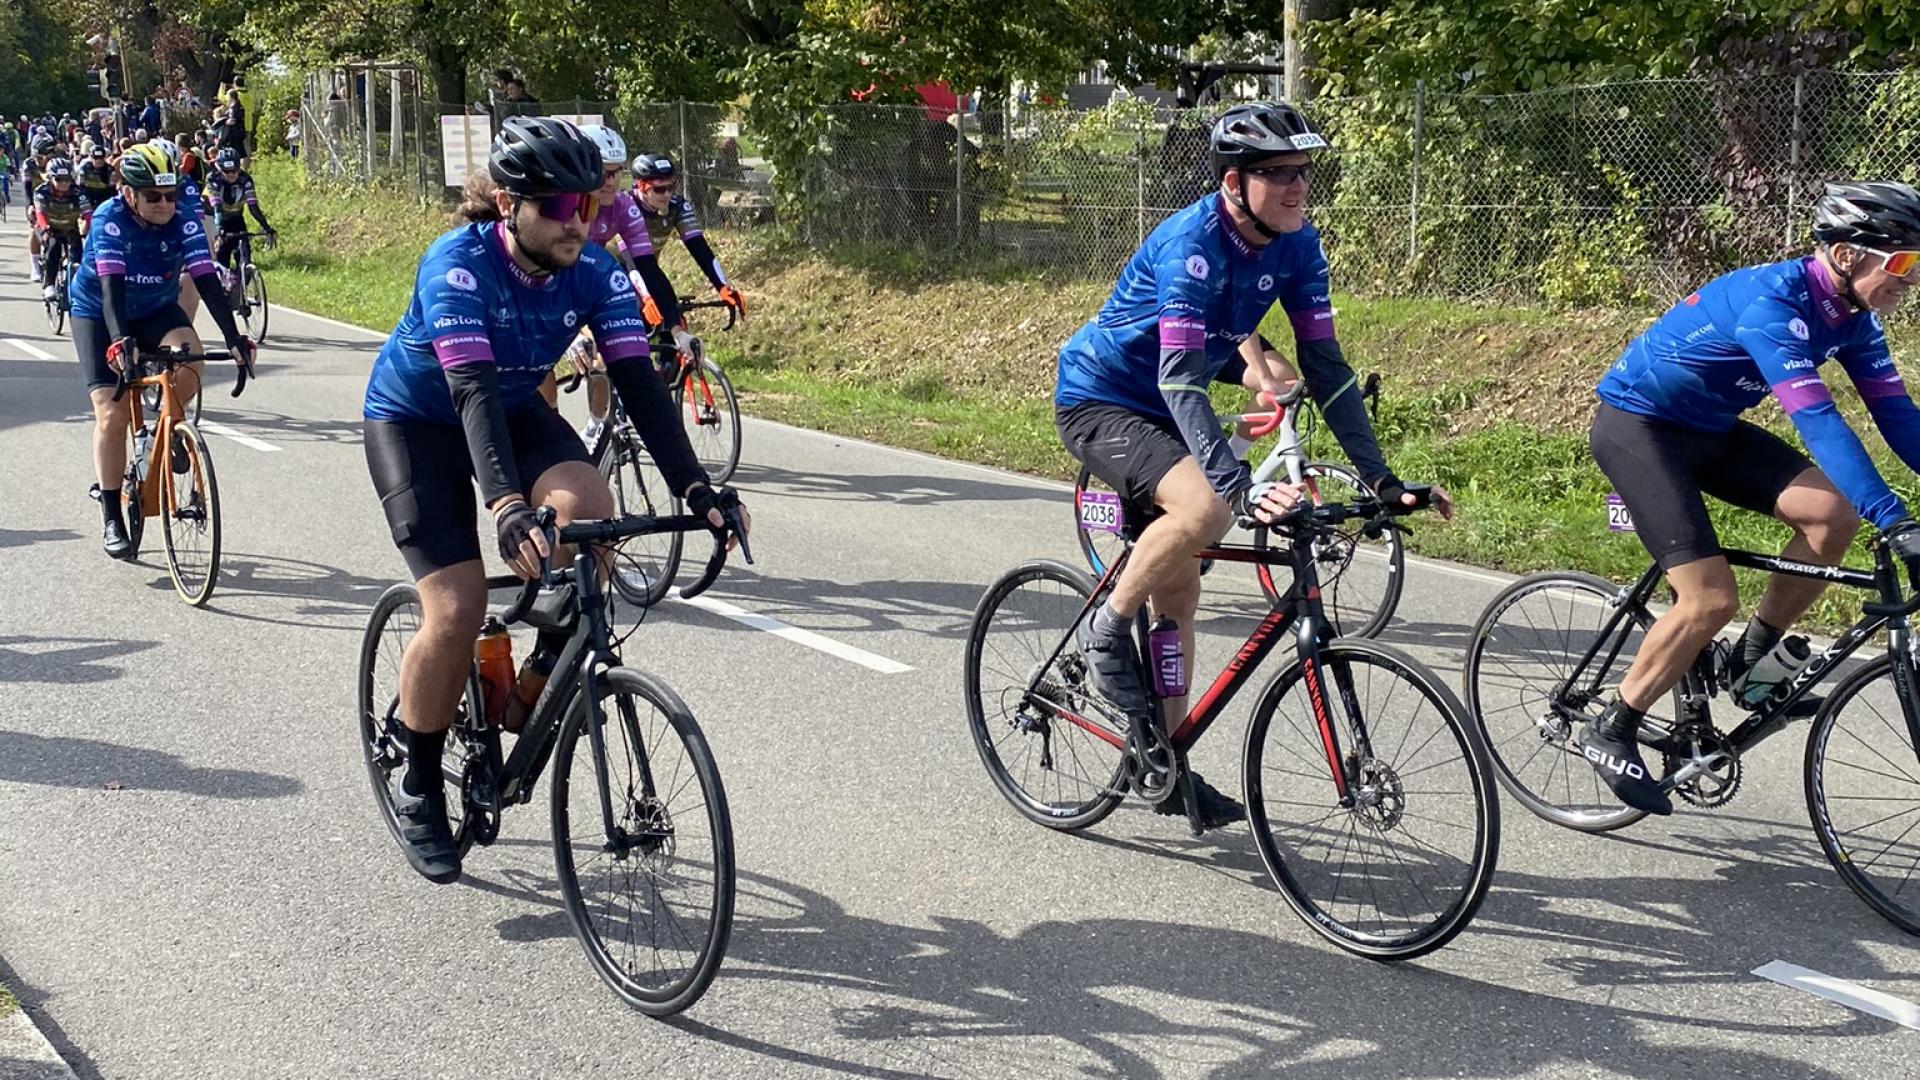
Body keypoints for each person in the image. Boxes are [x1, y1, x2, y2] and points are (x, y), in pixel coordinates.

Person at [360, 116, 747, 884]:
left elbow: (638, 384)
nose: (581, 220)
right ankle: (419, 778)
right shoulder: (457, 266)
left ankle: (539, 663)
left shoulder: (594, 270)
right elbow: (467, 392)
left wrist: (695, 487)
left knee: (589, 512)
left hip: (510, 408)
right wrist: (503, 505)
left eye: (590, 204)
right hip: (421, 419)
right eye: (563, 206)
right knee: (459, 605)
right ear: (510, 204)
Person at [1053, 101, 1450, 830]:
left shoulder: (1299, 245)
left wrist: (1382, 479)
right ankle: (1105, 628)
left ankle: (1165, 762)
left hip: (1173, 404)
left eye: (1304, 172)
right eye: (1278, 174)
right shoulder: (1192, 245)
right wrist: (1236, 486)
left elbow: (1327, 371)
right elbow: (1177, 379)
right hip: (1105, 398)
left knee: (1179, 600)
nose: (1298, 187)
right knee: (1206, 510)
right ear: (1234, 182)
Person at [1583, 181, 1920, 815]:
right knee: (1709, 596)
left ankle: (1754, 657)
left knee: (1830, 514)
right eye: (1902, 263)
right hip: (1638, 429)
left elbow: (1899, 418)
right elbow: (1820, 422)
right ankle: (1614, 724)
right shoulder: (1773, 304)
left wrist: (1883, 511)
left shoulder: (1852, 320)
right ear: (1848, 254)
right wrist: (1897, 520)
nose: (1912, 279)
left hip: (1708, 430)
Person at [68, 144, 253, 559]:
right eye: (153, 196)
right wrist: (121, 342)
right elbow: (112, 290)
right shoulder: (109, 219)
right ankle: (112, 513)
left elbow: (206, 279)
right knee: (111, 413)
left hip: (154, 307)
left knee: (192, 355)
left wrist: (234, 337)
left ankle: (166, 425)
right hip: (100, 312)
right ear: (129, 193)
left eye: (170, 195)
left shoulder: (183, 220)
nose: (165, 205)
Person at [544, 125, 686, 446]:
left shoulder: (624, 207)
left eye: (617, 172)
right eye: (603, 173)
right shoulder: (559, 207)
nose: (611, 181)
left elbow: (648, 268)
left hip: (591, 281)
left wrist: (677, 330)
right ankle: (548, 429)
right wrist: (569, 333)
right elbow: (546, 275)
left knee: (606, 355)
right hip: (548, 285)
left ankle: (598, 427)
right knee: (541, 361)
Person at [629, 153, 748, 327]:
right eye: (659, 189)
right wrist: (645, 296)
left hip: (648, 270)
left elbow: (700, 249)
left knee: (675, 323)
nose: (667, 194)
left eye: (670, 187)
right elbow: (630, 261)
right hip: (618, 269)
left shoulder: (677, 207)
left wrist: (723, 287)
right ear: (641, 186)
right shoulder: (626, 207)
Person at [207, 147, 275, 294]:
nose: (231, 175)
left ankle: (240, 292)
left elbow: (253, 207)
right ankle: (224, 294)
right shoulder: (213, 179)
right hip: (220, 220)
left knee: (245, 260)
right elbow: (217, 208)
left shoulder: (245, 179)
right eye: (227, 171)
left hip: (237, 219)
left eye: (234, 171)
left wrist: (266, 227)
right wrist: (219, 230)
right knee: (222, 263)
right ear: (220, 169)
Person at [32, 158, 91, 300]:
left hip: (70, 228)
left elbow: (88, 214)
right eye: (59, 179)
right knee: (53, 247)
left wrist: (88, 226)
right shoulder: (42, 191)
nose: (64, 183)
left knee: (78, 255)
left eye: (67, 179)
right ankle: (49, 284)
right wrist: (45, 228)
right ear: (51, 178)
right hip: (49, 227)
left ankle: (77, 286)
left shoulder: (78, 193)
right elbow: (40, 213)